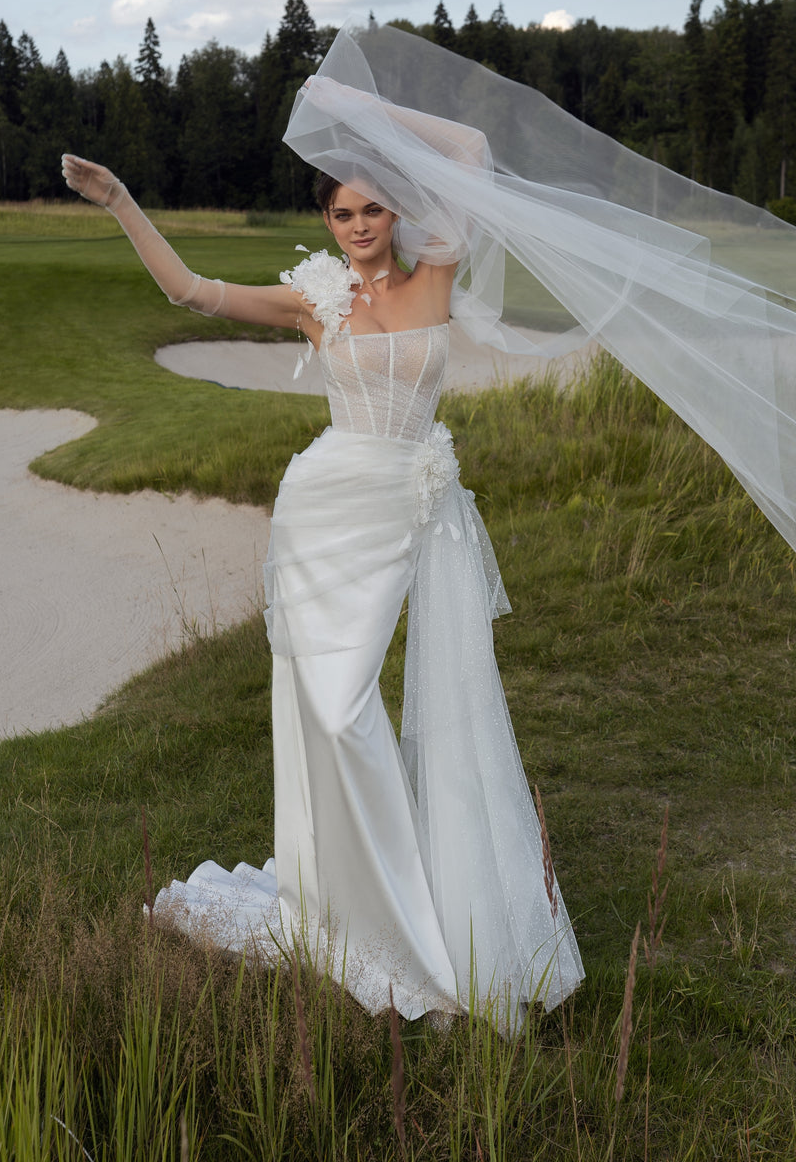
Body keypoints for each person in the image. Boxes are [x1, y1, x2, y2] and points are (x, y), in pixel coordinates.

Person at [61, 117, 584, 1027]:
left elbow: (468, 147)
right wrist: (119, 202)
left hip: (404, 513)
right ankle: (360, 905)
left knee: (386, 706)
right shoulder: (316, 299)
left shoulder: (436, 275)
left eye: (373, 206)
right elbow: (191, 292)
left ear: (396, 212)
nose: (358, 224)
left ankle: (403, 891)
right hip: (324, 514)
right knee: (336, 711)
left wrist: (370, 116)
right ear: (329, 222)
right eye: (343, 212)